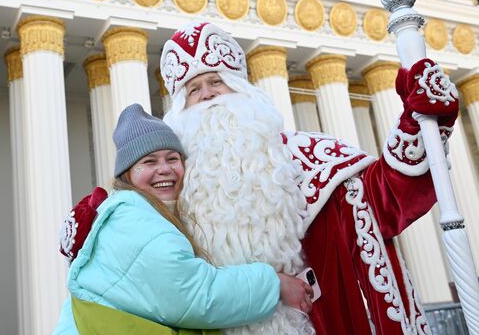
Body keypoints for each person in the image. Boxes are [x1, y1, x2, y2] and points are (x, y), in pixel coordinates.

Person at [160, 22, 459, 335]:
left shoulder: (306, 156)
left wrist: (416, 123)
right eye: (194, 89)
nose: (208, 95)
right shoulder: (175, 187)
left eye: (216, 81)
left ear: (241, 89)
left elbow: (384, 199)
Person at [53, 103, 313, 334]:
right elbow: (195, 295)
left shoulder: (140, 214)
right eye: (149, 161)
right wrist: (273, 283)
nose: (164, 169)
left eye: (172, 158)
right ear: (128, 175)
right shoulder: (135, 219)